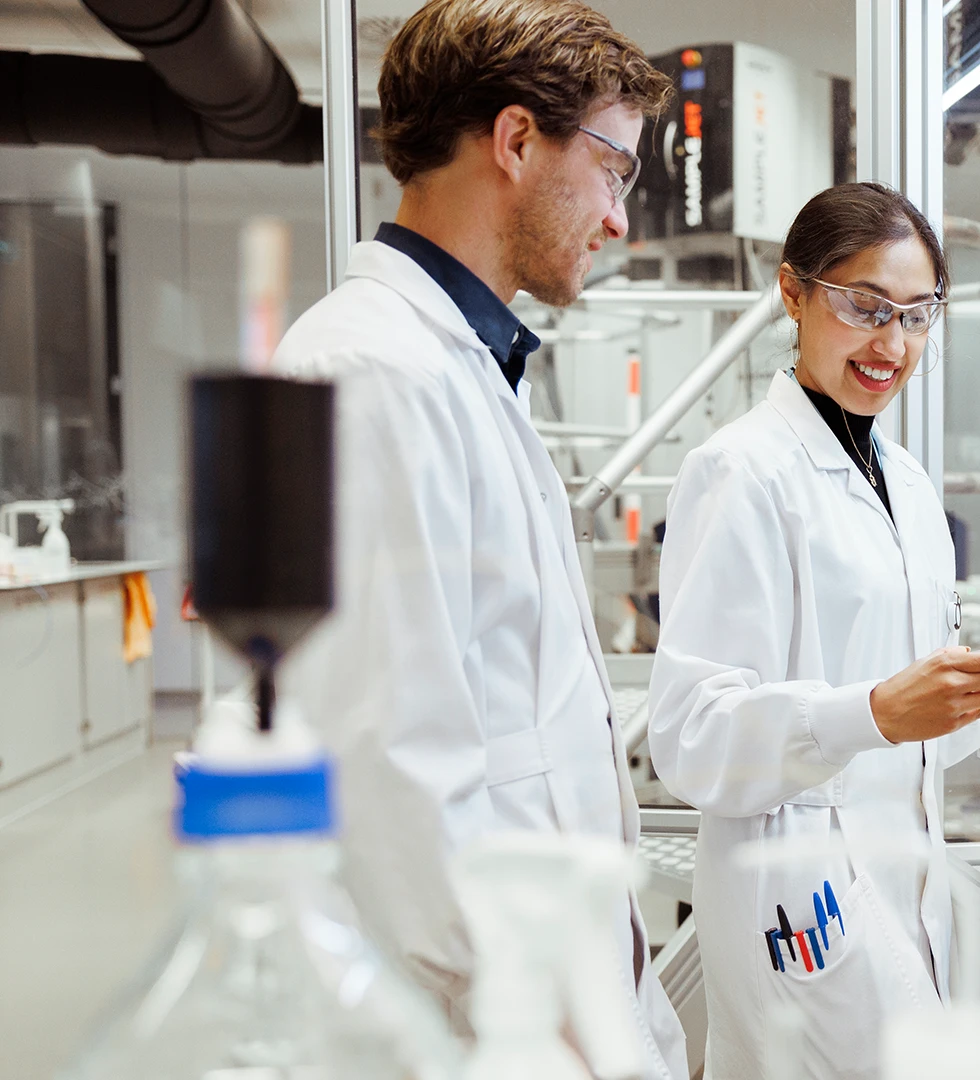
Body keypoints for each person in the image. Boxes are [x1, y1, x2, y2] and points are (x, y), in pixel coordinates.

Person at [270, 1, 687, 1076]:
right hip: (491, 1025)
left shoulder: (453, 366)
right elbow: (385, 766)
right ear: (514, 141)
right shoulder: (369, 375)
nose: (618, 220)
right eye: (614, 170)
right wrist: (533, 1013)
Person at [647, 182, 980, 1080]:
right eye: (864, 307)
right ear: (794, 292)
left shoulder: (908, 484)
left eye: (917, 316)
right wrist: (873, 713)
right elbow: (693, 735)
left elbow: (914, 707)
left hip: (905, 891)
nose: (891, 345)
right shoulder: (743, 474)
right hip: (799, 900)